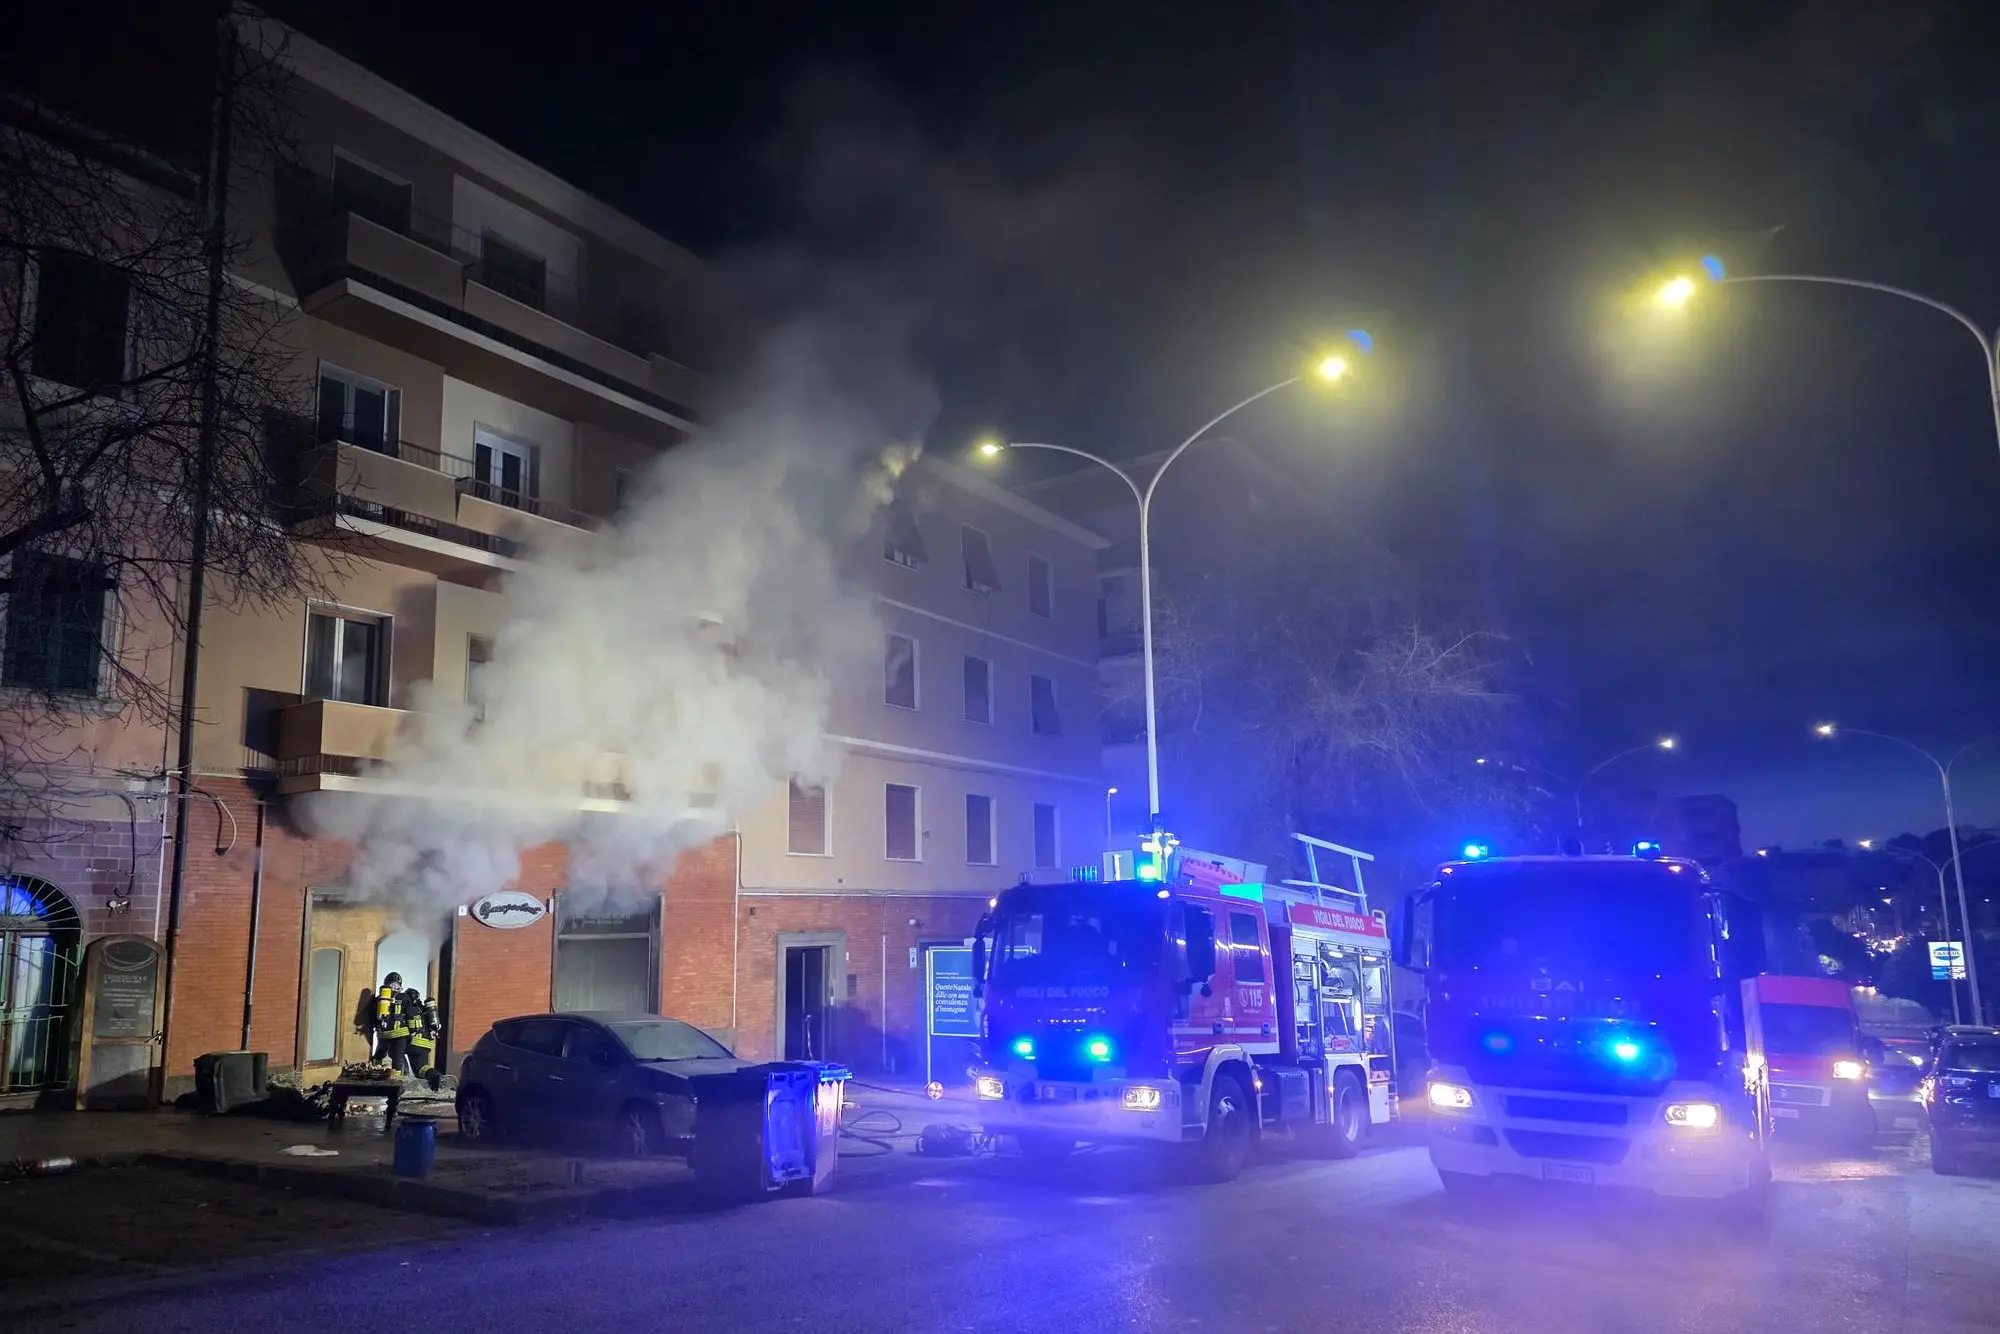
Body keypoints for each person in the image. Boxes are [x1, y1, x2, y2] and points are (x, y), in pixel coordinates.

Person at [403, 988, 443, 1090]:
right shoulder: (424, 1010)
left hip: (414, 1043)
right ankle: (434, 1075)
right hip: (426, 1044)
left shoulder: (409, 1009)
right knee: (422, 1068)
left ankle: (403, 1075)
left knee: (395, 1052)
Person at [374, 972, 410, 1073]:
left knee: (379, 1055)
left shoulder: (379, 998)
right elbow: (411, 1014)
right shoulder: (404, 997)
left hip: (383, 1033)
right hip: (400, 1033)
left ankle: (375, 1073)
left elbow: (373, 1015)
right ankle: (400, 1080)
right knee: (398, 1059)